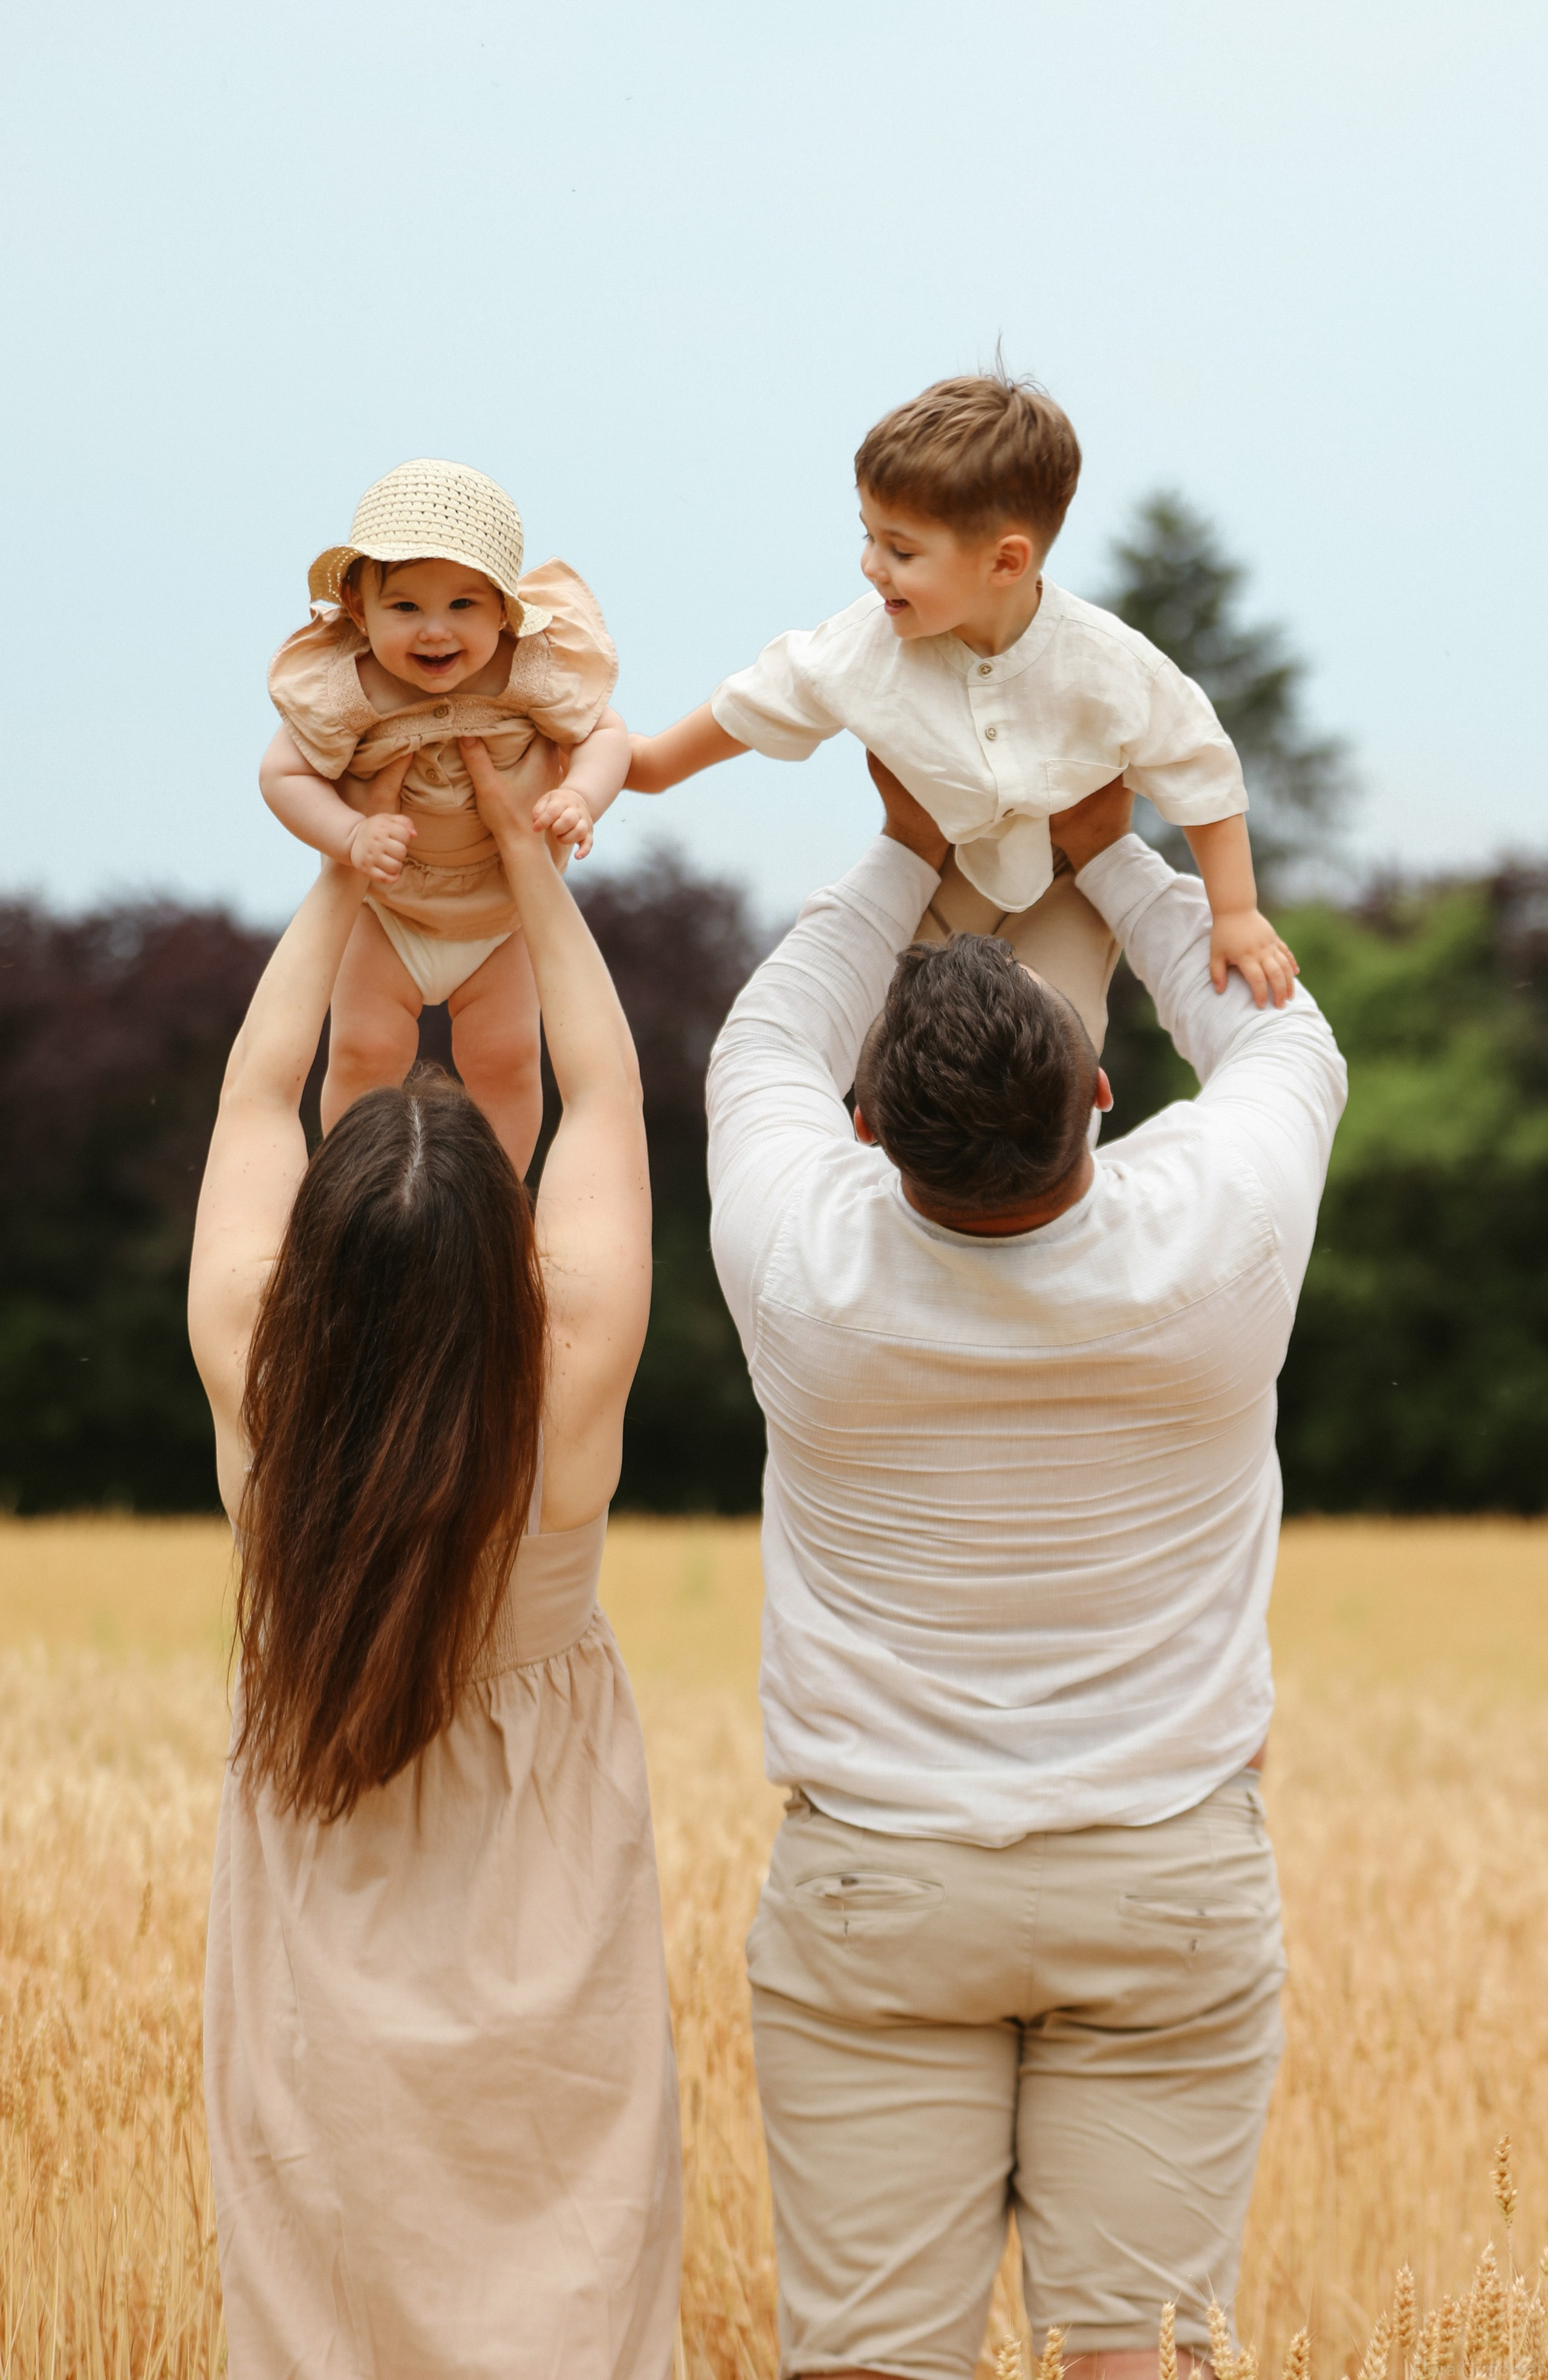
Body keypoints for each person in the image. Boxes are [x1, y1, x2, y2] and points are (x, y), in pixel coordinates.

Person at [704, 759, 1347, 2380]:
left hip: (878, 1890)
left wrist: (901, 854)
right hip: (1165, 1881)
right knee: (1142, 2359)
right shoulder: (1222, 1237)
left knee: (866, 2365)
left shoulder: (806, 1259)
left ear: (871, 1134)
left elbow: (762, 1041)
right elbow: (1280, 1034)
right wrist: (1115, 864)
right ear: (1104, 1103)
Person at [190, 732, 680, 2379]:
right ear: (510, 1260)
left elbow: (261, 1087)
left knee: (322, 2293)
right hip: (549, 1899)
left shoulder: (259, 1382)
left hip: (327, 1881)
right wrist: (523, 857)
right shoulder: (571, 1374)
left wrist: (357, 853)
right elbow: (605, 1088)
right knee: (574, 2278)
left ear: (312, 1260)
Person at [628, 372, 1298, 1056]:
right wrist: (646, 765)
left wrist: (1236, 912)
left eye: (901, 550)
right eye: (868, 537)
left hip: (1062, 884)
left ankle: (1059, 1152)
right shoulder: (865, 648)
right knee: (912, 1050)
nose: (870, 566)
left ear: (1005, 561)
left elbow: (1200, 772)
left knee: (1053, 1048)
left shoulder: (1105, 664)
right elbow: (758, 701)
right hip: (937, 873)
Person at [262, 457, 631, 1170]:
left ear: (504, 609)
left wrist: (581, 795)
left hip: (501, 917)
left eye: (463, 606)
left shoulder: (528, 671)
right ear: (359, 609)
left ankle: (500, 1202)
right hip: (388, 911)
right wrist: (350, 833)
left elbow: (604, 733)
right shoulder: (347, 686)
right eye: (405, 608)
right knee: (362, 1054)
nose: (436, 631)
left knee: (509, 1062)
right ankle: (350, 1195)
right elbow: (282, 774)